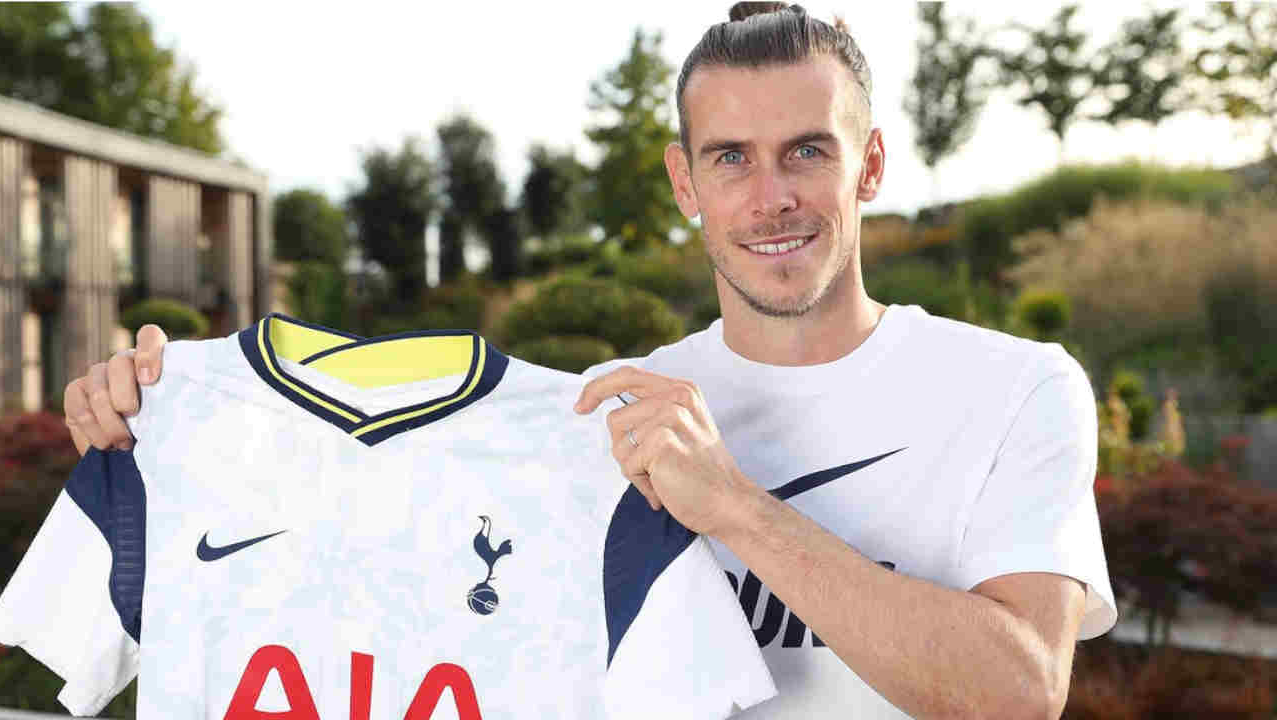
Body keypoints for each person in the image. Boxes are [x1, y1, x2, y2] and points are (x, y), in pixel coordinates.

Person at [61, 3, 1116, 717]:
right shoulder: (599, 418)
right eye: (730, 159)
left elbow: (1020, 691)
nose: (772, 197)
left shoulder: (1015, 388)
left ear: (869, 164)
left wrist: (735, 509)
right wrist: (152, 420)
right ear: (684, 184)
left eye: (807, 150)